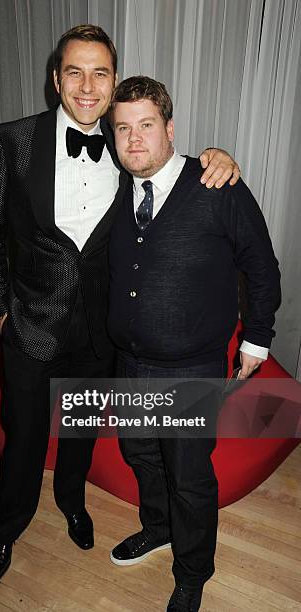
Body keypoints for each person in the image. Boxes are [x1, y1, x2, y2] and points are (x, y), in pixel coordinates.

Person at [0, 24, 240, 588]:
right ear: (56, 80)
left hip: (101, 335)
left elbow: (172, 166)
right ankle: (7, 528)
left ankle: (73, 503)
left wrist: (220, 158)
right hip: (31, 326)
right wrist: (0, 313)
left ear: (114, 80)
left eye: (100, 72)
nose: (88, 85)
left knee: (80, 432)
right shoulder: (12, 141)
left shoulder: (128, 147)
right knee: (22, 437)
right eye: (75, 71)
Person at [107, 76, 281, 611]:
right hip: (128, 362)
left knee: (189, 476)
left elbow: (261, 265)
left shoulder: (217, 185)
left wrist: (256, 339)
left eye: (146, 126)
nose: (134, 141)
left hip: (190, 367)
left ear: (170, 129)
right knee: (140, 455)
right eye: (123, 129)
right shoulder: (112, 188)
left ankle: (193, 571)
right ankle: (158, 528)